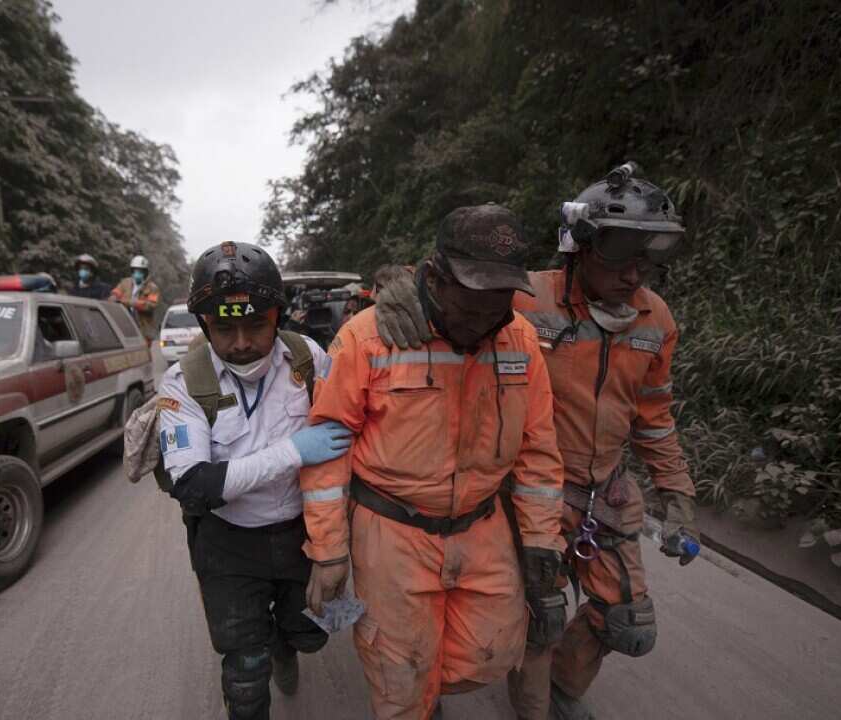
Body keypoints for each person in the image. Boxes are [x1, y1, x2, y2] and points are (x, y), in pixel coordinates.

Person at [372, 164, 701, 720]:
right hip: (523, 488)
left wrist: (679, 493)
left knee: (626, 621)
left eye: (649, 258)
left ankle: (562, 691)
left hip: (606, 491)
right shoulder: (527, 300)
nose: (635, 275)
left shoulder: (655, 318)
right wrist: (390, 284)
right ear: (581, 245)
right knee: (540, 612)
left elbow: (655, 416)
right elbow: (441, 282)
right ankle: (534, 704)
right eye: (621, 253)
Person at [301, 204, 568, 719]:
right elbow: (326, 450)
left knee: (489, 652)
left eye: (501, 297)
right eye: (474, 297)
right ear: (437, 278)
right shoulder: (366, 338)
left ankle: (427, 690)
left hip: (482, 524)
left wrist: (539, 538)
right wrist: (329, 550)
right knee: (401, 676)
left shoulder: (520, 342)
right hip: (391, 532)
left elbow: (537, 452)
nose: (490, 313)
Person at [158, 241, 352, 720]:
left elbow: (351, 427)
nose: (241, 341)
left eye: (256, 324)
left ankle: (284, 648)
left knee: (307, 634)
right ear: (205, 325)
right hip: (227, 545)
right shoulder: (182, 385)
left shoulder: (308, 358)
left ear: (278, 317)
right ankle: (259, 659)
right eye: (224, 327)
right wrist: (291, 452)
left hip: (300, 535)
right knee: (245, 670)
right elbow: (194, 486)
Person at [112, 254, 161, 343]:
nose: (137, 273)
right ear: (132, 271)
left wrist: (130, 302)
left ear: (145, 272)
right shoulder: (124, 283)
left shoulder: (153, 288)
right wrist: (114, 299)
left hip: (144, 329)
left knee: (144, 353)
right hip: (125, 326)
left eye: (140, 271)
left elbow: (150, 305)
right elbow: (114, 295)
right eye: (135, 270)